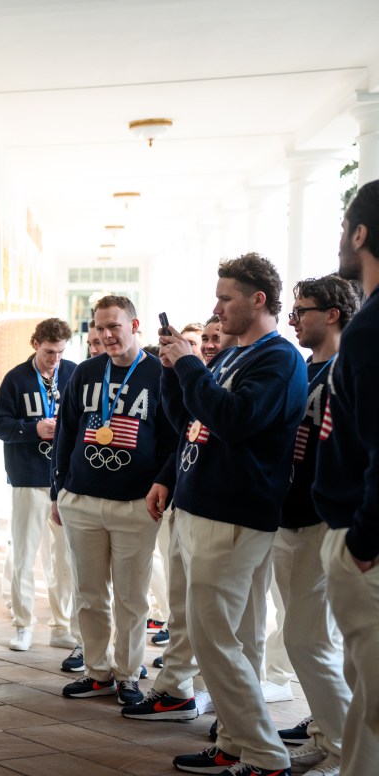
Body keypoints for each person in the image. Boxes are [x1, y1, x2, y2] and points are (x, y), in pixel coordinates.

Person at [158, 253, 305, 776]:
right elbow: (191, 421)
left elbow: (235, 421)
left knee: (212, 639)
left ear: (257, 299)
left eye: (225, 298)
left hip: (235, 512)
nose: (216, 308)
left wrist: (192, 366)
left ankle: (266, 755)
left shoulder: (278, 359)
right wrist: (173, 372)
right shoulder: (232, 355)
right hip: (205, 506)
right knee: (231, 638)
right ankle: (238, 743)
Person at [51, 296, 177, 707]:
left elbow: (173, 439)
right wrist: (59, 491)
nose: (106, 335)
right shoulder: (87, 371)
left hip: (134, 505)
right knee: (89, 594)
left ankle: (127, 674)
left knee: (131, 597)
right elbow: (66, 432)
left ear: (134, 324)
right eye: (99, 328)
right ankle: (97, 672)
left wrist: (161, 484)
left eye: (114, 327)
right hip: (82, 500)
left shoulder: (159, 373)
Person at [268, 274, 360, 775]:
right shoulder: (307, 367)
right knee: (306, 637)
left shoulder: (347, 372)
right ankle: (329, 733)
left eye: (301, 310)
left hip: (321, 520)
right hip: (291, 515)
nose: (294, 320)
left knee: (308, 639)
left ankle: (344, 750)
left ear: (332, 314)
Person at [313, 178, 379, 776]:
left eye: (342, 228)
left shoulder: (372, 327)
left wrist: (362, 540)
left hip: (367, 545)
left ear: (360, 234)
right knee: (366, 694)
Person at [0, 318, 78, 653]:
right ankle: (23, 625)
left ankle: (62, 625)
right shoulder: (16, 378)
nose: (55, 359)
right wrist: (33, 429)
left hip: (65, 480)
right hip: (28, 477)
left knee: (64, 558)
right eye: (49, 352)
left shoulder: (73, 373)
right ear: (36, 344)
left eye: (60, 352)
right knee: (25, 556)